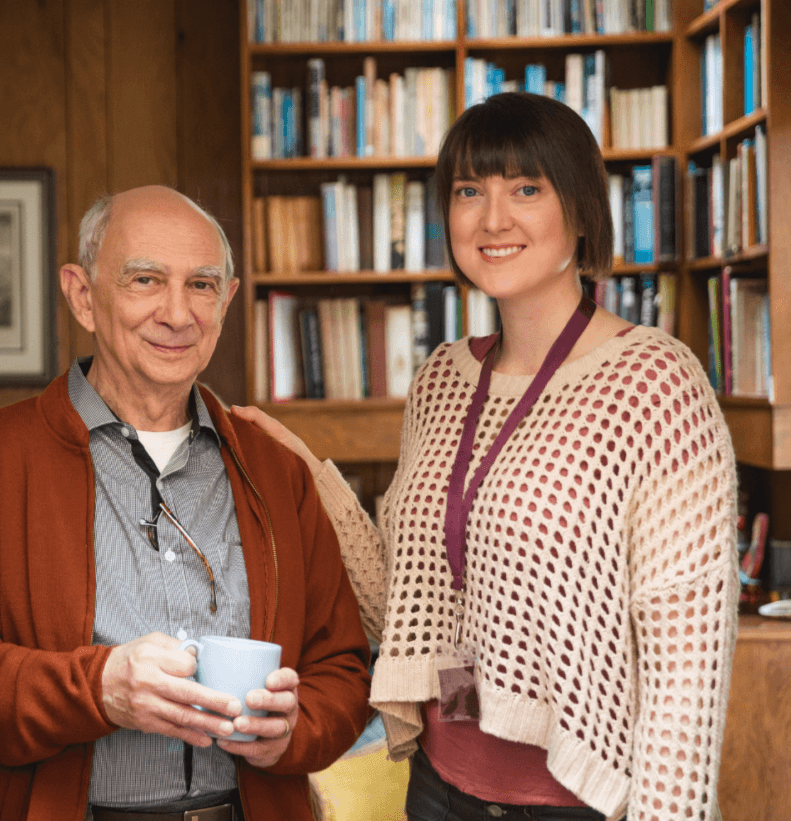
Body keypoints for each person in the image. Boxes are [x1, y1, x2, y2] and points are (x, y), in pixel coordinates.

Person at [234, 92, 739, 821]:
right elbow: (408, 604)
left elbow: (688, 670)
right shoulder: (441, 378)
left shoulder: (653, 384)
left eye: (526, 189)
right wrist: (306, 470)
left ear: (582, 212)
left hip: (581, 803)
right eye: (470, 191)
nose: (493, 218)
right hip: (440, 791)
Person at [0, 185, 371, 821]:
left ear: (227, 301)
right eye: (145, 280)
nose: (178, 313)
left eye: (202, 285)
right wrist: (98, 690)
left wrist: (293, 730)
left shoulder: (275, 470)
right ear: (83, 296)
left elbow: (341, 666)